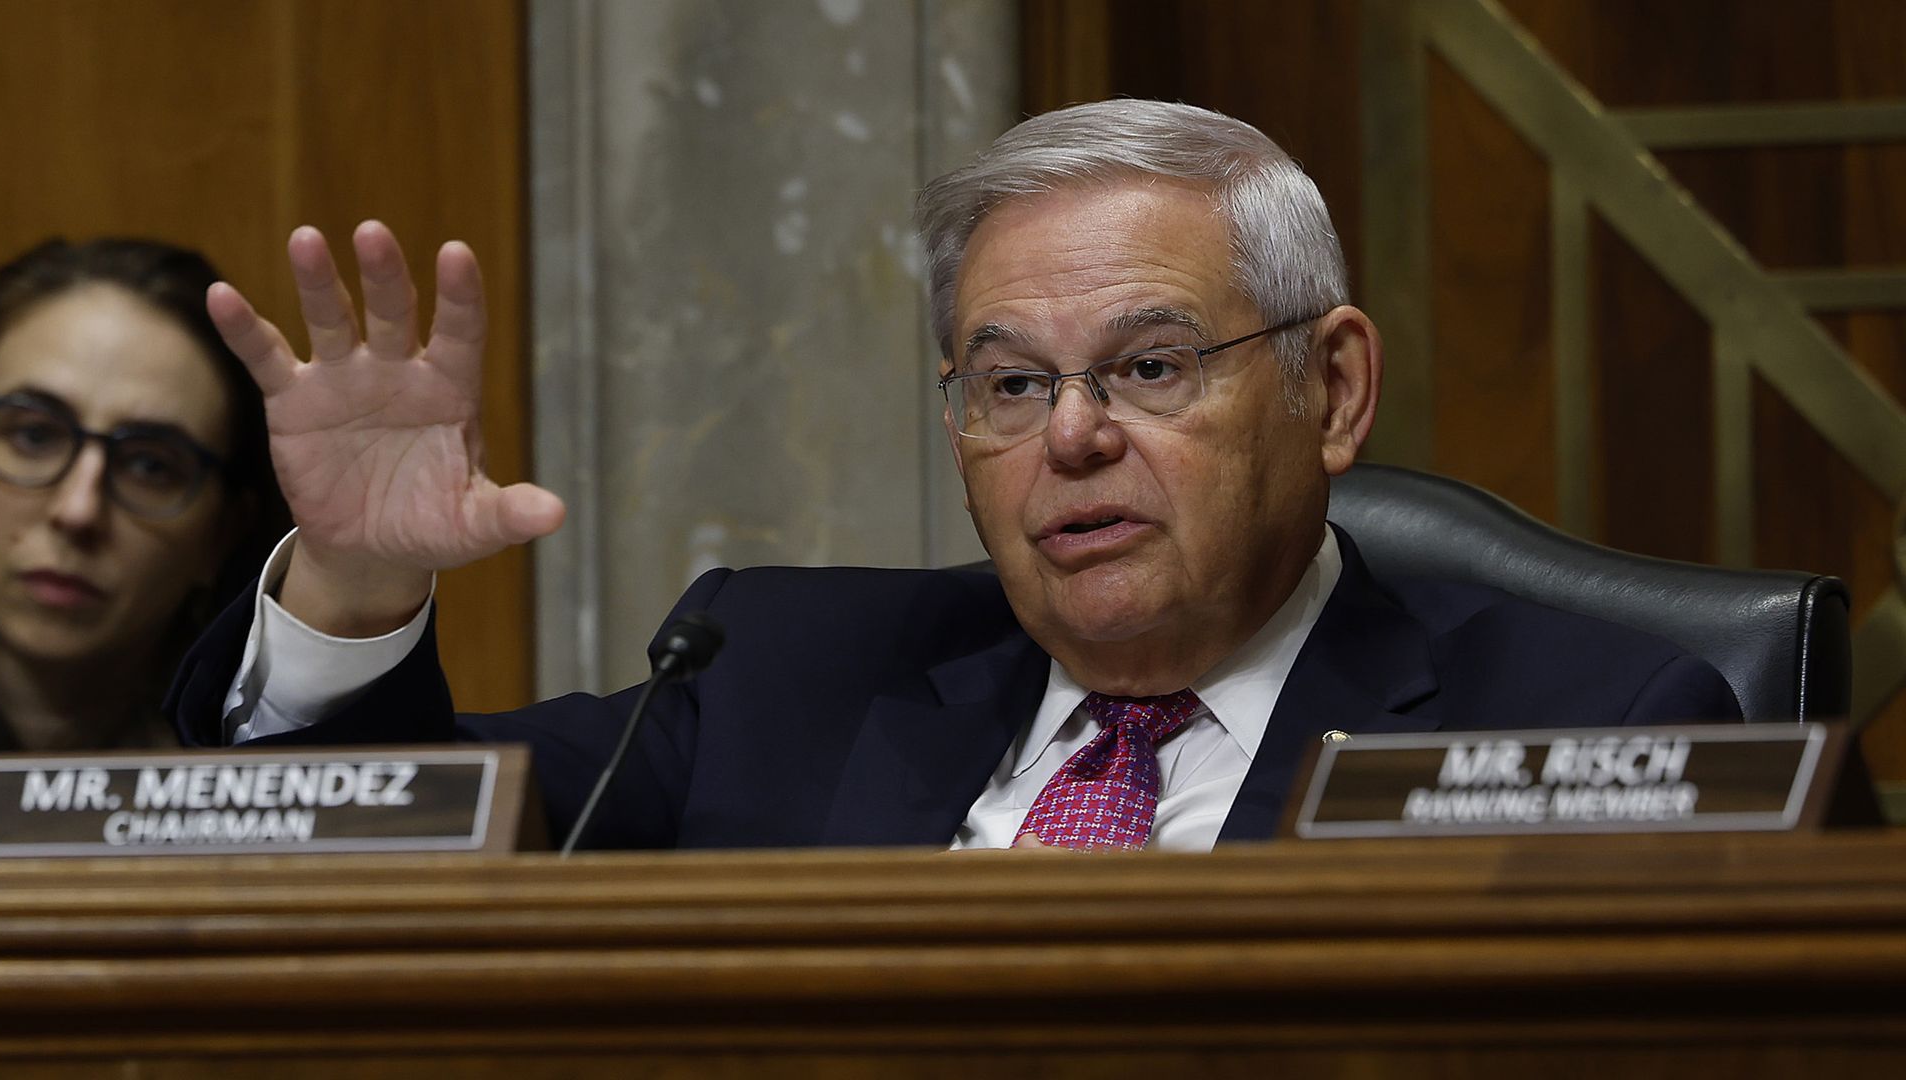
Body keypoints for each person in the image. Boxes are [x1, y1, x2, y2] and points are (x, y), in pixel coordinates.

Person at [168, 100, 1740, 849]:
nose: (1069, 438)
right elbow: (387, 844)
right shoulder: (773, 675)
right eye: (1008, 383)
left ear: (1331, 389)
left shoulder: (1596, 730)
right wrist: (362, 584)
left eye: (1149, 365)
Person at [0, 238, 287, 752]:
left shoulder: (265, 758)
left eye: (150, 466)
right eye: (33, 436)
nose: (78, 511)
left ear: (221, 534)